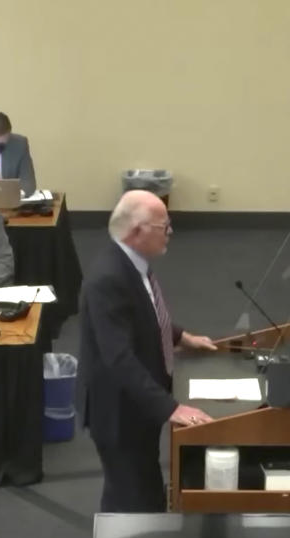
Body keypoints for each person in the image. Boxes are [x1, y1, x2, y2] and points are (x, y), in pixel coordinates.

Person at [77, 190, 218, 513]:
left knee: (143, 484)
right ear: (137, 231)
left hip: (136, 406)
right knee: (131, 494)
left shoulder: (132, 263)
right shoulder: (107, 278)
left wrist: (181, 336)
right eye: (163, 225)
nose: (170, 231)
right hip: (118, 411)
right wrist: (171, 408)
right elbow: (118, 357)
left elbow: (145, 313)